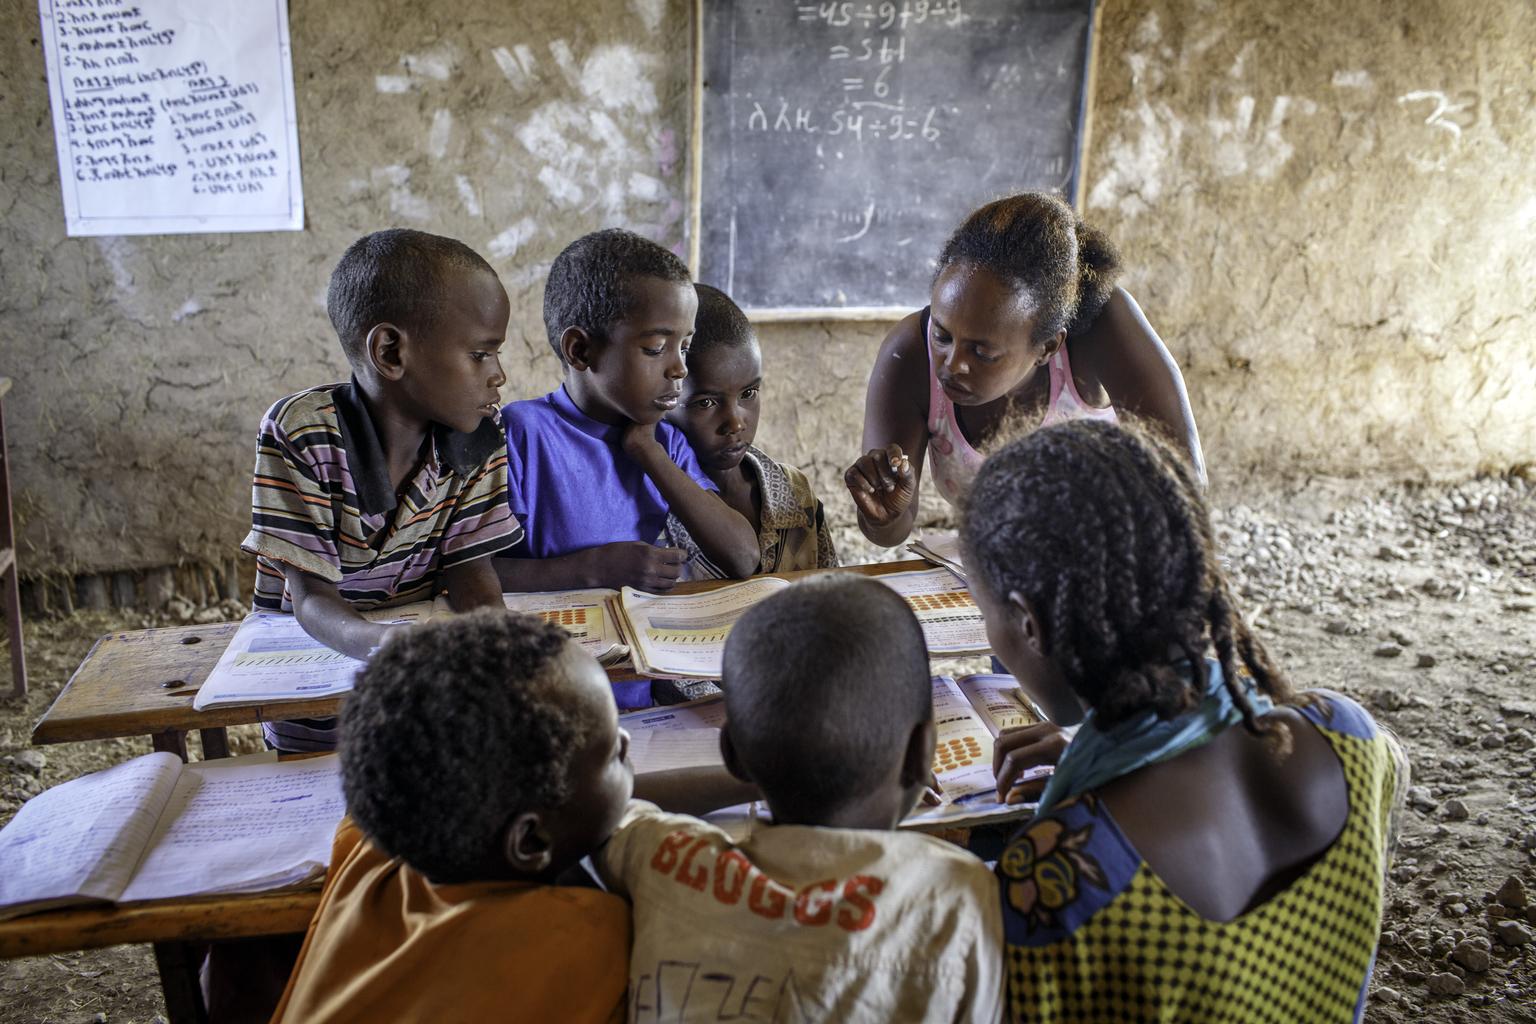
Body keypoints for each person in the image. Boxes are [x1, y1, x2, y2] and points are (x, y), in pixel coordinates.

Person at [962, 421, 1406, 1022]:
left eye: (983, 609)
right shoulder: (1350, 738)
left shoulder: (1060, 881)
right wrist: (1105, 757)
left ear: (1028, 623)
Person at [594, 575, 1005, 1023]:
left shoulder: (663, 858)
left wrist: (766, 767)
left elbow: (604, 802)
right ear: (923, 753)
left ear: (732, 753)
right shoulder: (956, 898)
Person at [242, 229, 521, 752]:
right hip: (315, 687)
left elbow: (469, 569)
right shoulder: (302, 434)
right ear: (390, 351)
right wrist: (384, 644)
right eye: (480, 354)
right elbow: (310, 598)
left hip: (423, 689)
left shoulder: (479, 435)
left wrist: (495, 647)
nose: (499, 375)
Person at [846, 192, 1205, 549]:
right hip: (1000, 559)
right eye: (942, 335)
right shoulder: (910, 353)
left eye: (982, 352)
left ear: (1047, 347)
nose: (952, 364)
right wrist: (884, 515)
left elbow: (1184, 484)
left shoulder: (1102, 328)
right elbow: (890, 528)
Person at [494, 230, 758, 593]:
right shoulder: (521, 434)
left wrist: (648, 452)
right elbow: (466, 573)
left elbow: (743, 557)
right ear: (580, 350)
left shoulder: (664, 442)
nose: (680, 368)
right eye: (656, 348)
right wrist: (590, 570)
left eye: (684, 346)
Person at [663, 283, 838, 578]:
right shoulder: (648, 509)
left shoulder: (794, 491)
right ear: (661, 403)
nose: (735, 423)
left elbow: (833, 593)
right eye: (706, 402)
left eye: (748, 393)